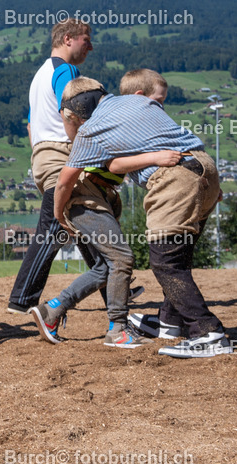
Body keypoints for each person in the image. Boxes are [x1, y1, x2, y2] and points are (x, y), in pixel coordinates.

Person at [51, 75, 231, 358]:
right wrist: (209, 186)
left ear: (75, 114)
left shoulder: (91, 129)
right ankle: (170, 323)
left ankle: (207, 332)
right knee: (179, 257)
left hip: (175, 179)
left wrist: (58, 212)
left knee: (166, 261)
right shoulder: (139, 101)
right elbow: (151, 145)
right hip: (205, 168)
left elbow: (64, 182)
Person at [29, 70, 169, 348]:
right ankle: (118, 329)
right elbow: (84, 174)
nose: (160, 107)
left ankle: (52, 310)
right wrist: (59, 213)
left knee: (108, 264)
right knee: (122, 258)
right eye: (157, 100)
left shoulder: (114, 119)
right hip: (84, 198)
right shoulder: (105, 124)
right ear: (140, 97)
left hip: (95, 197)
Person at [8, 19, 98, 315]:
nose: (90, 46)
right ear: (69, 38)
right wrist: (82, 147)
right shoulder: (66, 70)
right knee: (54, 228)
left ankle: (111, 282)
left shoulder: (40, 75)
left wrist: (39, 153)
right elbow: (71, 109)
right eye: (87, 39)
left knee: (80, 221)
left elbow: (31, 124)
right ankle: (21, 300)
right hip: (61, 154)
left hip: (42, 155)